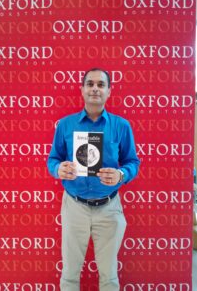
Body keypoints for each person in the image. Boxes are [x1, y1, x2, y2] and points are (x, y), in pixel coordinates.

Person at [47, 68, 140, 291]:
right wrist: (58, 169)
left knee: (109, 275)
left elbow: (132, 162)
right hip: (74, 205)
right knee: (69, 273)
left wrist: (121, 174)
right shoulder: (66, 125)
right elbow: (53, 159)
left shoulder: (121, 126)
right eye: (90, 84)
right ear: (82, 89)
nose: (95, 89)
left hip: (109, 207)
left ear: (109, 91)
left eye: (101, 84)